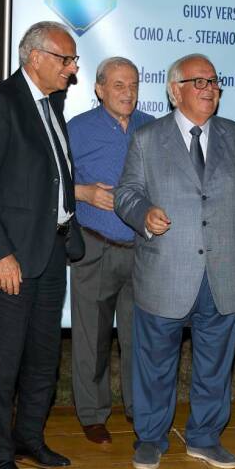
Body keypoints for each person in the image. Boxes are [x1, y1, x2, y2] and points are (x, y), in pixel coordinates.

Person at [114, 53, 235, 469]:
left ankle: (205, 437)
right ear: (175, 91)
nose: (210, 88)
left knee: (215, 363)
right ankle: (151, 438)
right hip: (165, 270)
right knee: (155, 363)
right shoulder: (147, 139)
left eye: (214, 81)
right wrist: (142, 213)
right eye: (200, 82)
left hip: (224, 271)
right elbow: (126, 193)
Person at [0, 21, 85, 469]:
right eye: (66, 59)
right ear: (34, 57)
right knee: (6, 358)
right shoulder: (3, 103)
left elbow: (56, 178)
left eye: (74, 61)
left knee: (43, 354)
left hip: (53, 251)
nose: (73, 69)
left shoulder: (52, 104)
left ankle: (29, 438)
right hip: (13, 257)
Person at [68, 57, 154, 444]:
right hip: (95, 247)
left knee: (140, 338)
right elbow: (48, 179)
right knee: (92, 337)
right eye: (118, 85)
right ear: (99, 89)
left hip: (143, 252)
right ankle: (93, 413)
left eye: (133, 84)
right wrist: (83, 193)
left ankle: (141, 411)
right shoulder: (77, 130)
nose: (128, 92)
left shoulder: (151, 128)